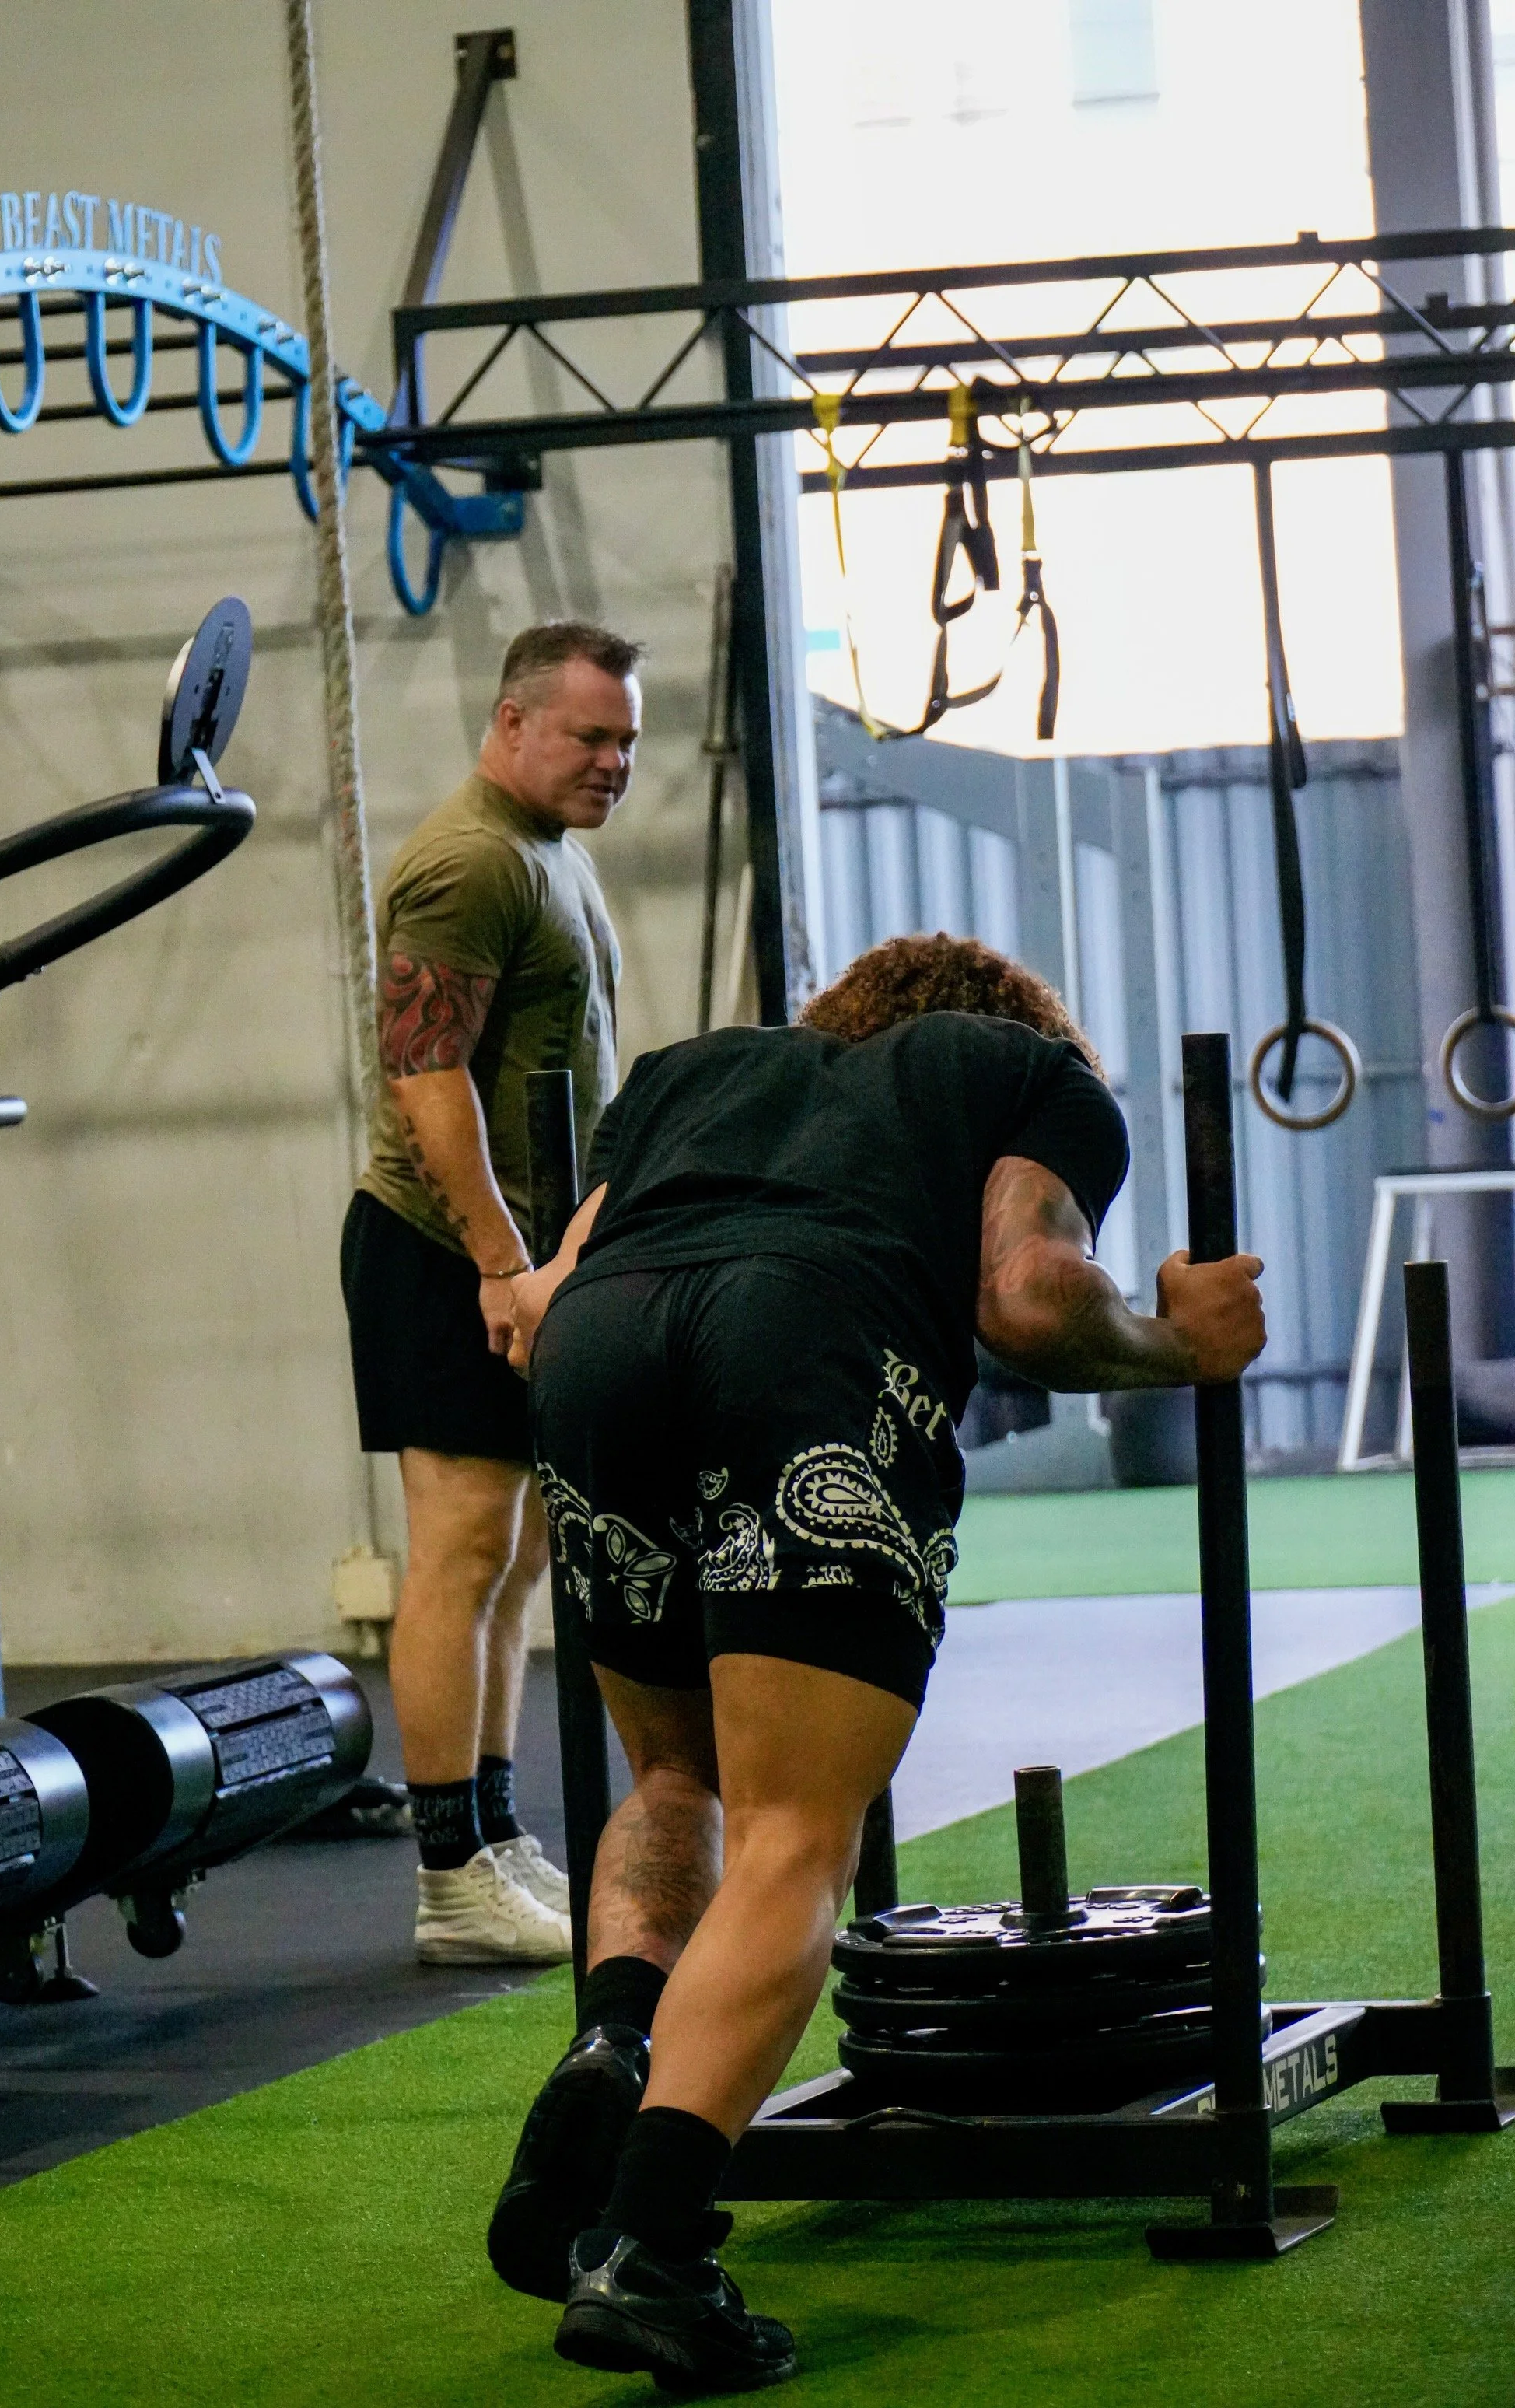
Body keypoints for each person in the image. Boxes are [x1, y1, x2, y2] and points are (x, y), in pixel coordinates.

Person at [485, 931, 1267, 2390]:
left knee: (675, 1775)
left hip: (599, 1351)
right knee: (796, 1831)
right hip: (807, 1339)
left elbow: (538, 1302)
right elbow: (1029, 1296)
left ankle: (618, 2042)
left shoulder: (690, 1076)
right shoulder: (1031, 1076)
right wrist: (1184, 1344)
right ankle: (653, 2248)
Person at [341, 620, 642, 1965]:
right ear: (513, 723)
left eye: (626, 740)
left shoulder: (548, 853)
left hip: (515, 1253)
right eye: (590, 735)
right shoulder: (470, 861)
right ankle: (447, 1874)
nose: (613, 761)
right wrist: (501, 1262)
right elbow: (426, 1078)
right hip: (442, 1251)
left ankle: (495, 1832)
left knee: (519, 1554)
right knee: (461, 1550)